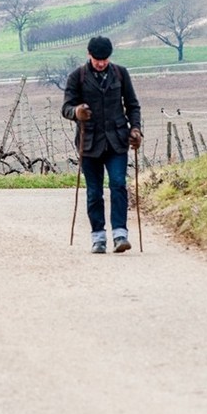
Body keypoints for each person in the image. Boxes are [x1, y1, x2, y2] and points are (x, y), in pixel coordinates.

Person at [62, 36, 143, 254]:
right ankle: (98, 238)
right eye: (97, 59)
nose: (101, 63)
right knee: (94, 192)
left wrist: (135, 129)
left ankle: (120, 235)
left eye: (105, 59)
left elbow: (133, 105)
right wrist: (76, 112)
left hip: (117, 142)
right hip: (89, 144)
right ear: (89, 55)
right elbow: (66, 108)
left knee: (118, 184)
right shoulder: (77, 77)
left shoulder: (120, 74)